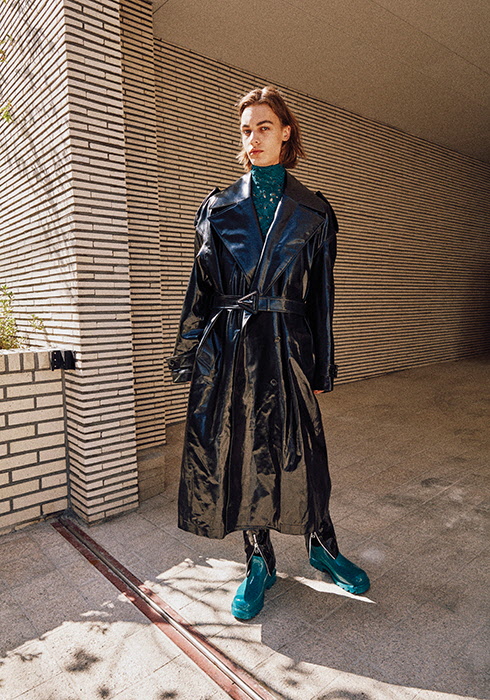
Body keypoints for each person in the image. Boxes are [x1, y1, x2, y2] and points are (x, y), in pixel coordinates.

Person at [167, 85, 369, 620]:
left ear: (285, 133)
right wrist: (188, 352)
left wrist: (322, 363)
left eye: (263, 127)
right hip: (232, 347)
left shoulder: (315, 211)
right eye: (245, 130)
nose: (252, 139)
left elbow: (322, 296)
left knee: (304, 451)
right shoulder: (217, 207)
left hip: (288, 346)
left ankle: (322, 545)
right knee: (244, 452)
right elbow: (200, 288)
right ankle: (258, 561)